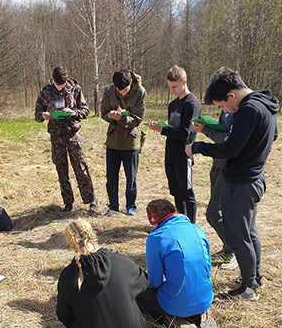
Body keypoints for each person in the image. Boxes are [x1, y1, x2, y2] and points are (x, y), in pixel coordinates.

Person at [185, 68, 278, 300]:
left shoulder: (248, 109)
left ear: (231, 95)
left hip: (242, 181)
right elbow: (272, 135)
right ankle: (253, 278)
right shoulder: (265, 104)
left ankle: (248, 289)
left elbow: (230, 149)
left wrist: (197, 147)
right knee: (249, 231)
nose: (224, 111)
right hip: (254, 177)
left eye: (221, 106)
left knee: (238, 235)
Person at [56, 218, 148, 328]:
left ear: (70, 244)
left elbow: (63, 314)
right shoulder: (120, 261)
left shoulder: (68, 276)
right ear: (93, 234)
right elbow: (143, 282)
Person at [137, 199, 216, 328]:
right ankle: (200, 313)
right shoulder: (198, 229)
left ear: (152, 218)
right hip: (205, 297)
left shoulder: (156, 237)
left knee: (138, 291)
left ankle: (171, 318)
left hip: (175, 302)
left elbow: (155, 281)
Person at [34, 66, 96, 214]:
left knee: (81, 167)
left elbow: (86, 111)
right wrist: (44, 115)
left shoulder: (75, 89)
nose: (60, 87)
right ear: (52, 79)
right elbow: (37, 114)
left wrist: (73, 112)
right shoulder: (45, 91)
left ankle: (91, 200)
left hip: (72, 134)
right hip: (56, 136)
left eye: (62, 84)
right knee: (61, 169)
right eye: (57, 84)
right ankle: (68, 202)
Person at [148, 65, 201, 223]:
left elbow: (185, 132)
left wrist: (162, 130)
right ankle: (181, 221)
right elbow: (173, 129)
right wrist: (161, 128)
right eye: (170, 87)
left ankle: (191, 225)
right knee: (176, 192)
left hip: (184, 153)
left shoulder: (191, 104)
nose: (172, 90)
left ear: (184, 82)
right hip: (170, 152)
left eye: (175, 87)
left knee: (187, 192)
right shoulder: (172, 105)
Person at [192, 109, 237, 270]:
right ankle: (227, 249)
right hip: (217, 164)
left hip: (228, 167)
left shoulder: (237, 111)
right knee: (219, 211)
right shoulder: (225, 110)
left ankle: (234, 251)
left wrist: (204, 129)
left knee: (213, 212)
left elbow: (226, 140)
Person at [101, 69, 146, 216]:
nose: (122, 94)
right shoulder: (108, 91)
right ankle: (113, 206)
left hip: (130, 140)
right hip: (113, 140)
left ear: (131, 82)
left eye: (125, 90)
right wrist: (110, 116)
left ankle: (131, 206)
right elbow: (103, 112)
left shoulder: (140, 92)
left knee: (131, 176)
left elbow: (138, 119)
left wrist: (122, 119)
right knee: (111, 176)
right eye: (119, 91)